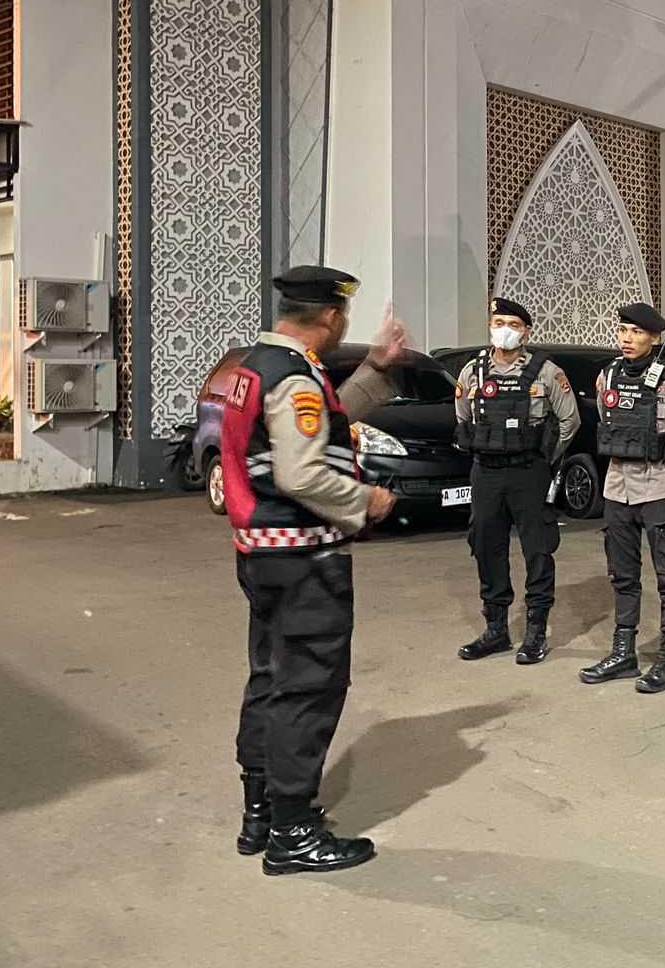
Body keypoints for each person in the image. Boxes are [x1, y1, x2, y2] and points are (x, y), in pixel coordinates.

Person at [223, 265, 407, 875]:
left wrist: (375, 368)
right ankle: (294, 833)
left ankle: (261, 813)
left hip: (263, 554)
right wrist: (366, 501)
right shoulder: (294, 377)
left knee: (270, 679)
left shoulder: (257, 367)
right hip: (302, 557)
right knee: (307, 689)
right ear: (330, 316)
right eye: (343, 316)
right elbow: (300, 471)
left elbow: (315, 428)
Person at [578, 302, 665, 693]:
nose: (627, 338)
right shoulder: (608, 375)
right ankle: (624, 653)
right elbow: (607, 422)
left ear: (654, 337)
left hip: (657, 487)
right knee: (623, 574)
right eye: (622, 330)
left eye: (636, 332)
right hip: (617, 487)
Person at [454, 298, 580, 665]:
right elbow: (463, 418)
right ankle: (496, 629)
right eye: (498, 322)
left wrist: (544, 459)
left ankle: (535, 631)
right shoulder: (472, 371)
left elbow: (569, 421)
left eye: (513, 324)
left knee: (537, 549)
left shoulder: (546, 372)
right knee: (486, 546)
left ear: (526, 331)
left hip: (528, 472)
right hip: (486, 472)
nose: (504, 330)